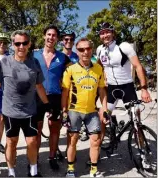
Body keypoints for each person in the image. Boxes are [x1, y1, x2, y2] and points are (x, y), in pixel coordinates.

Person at [0, 30, 52, 177]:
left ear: (29, 44)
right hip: (10, 112)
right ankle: (11, 172)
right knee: (11, 142)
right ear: (13, 44)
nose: (21, 46)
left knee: (32, 142)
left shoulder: (34, 63)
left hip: (29, 111)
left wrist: (47, 104)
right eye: (17, 43)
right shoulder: (5, 62)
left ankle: (33, 171)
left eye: (24, 43)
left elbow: (39, 86)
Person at [96, 22, 152, 142]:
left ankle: (141, 148)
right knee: (102, 117)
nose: (105, 35)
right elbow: (99, 67)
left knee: (136, 119)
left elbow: (138, 66)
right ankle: (98, 148)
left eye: (107, 32)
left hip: (127, 87)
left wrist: (144, 89)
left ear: (113, 33)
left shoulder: (124, 46)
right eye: (102, 33)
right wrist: (102, 81)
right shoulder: (100, 50)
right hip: (111, 88)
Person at [61, 37, 108, 177]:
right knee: (72, 139)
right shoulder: (71, 69)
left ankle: (93, 170)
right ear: (77, 51)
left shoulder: (99, 68)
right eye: (81, 49)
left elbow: (102, 91)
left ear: (91, 50)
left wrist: (104, 109)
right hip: (74, 110)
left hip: (92, 111)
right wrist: (64, 111)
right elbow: (65, 92)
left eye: (88, 49)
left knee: (95, 140)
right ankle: (70, 169)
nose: (85, 52)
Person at [33, 25, 70, 170]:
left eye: (54, 35)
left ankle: (52, 157)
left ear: (57, 39)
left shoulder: (63, 57)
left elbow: (74, 71)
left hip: (55, 97)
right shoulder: (33, 55)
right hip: (36, 97)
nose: (51, 37)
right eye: (48, 34)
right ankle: (34, 159)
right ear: (44, 36)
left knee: (54, 129)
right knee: (36, 129)